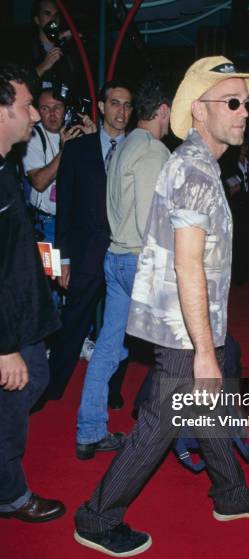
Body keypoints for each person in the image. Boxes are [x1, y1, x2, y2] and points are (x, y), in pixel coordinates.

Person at [74, 56, 249, 558]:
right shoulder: (193, 169)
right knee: (157, 427)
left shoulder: (200, 165)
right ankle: (96, 518)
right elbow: (189, 265)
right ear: (199, 111)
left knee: (205, 408)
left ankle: (231, 495)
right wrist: (206, 352)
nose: (244, 112)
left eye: (246, 103)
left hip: (190, 326)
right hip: (183, 332)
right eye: (232, 102)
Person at [74, 79, 171, 460]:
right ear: (162, 110)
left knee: (107, 350)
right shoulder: (152, 151)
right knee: (177, 352)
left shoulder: (125, 145)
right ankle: (163, 435)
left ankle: (90, 432)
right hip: (137, 262)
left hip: (115, 258)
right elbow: (153, 221)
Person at [43, 81, 133, 412]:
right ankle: (52, 387)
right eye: (115, 103)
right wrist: (62, 260)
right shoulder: (78, 151)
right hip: (83, 255)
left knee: (119, 327)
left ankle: (111, 390)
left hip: (125, 253)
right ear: (101, 106)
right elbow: (64, 209)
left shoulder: (138, 150)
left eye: (127, 105)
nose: (121, 111)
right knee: (73, 321)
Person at [0, 63, 65, 523]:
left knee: (37, 379)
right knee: (15, 398)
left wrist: (52, 263)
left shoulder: (6, 166)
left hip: (24, 308)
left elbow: (20, 234)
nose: (36, 116)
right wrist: (4, 349)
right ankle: (11, 493)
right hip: (8, 325)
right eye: (26, 106)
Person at [23, 87, 95, 245]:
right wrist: (65, 150)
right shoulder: (33, 136)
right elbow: (39, 183)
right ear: (38, 111)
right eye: (45, 108)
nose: (52, 114)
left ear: (66, 110)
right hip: (46, 224)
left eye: (57, 107)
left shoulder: (76, 133)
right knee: (48, 270)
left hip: (75, 222)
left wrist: (93, 141)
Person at [222, 141, 249, 284]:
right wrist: (231, 190)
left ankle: (244, 272)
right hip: (235, 206)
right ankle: (233, 274)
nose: (244, 148)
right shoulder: (229, 164)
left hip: (248, 208)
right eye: (242, 145)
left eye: (246, 145)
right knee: (234, 240)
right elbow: (225, 184)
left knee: (247, 240)